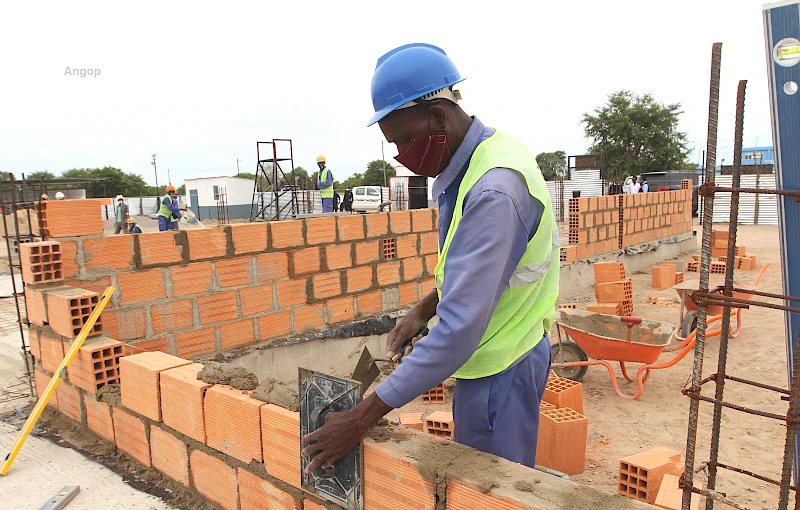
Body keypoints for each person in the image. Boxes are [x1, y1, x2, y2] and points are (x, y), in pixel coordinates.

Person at [301, 43, 558, 473]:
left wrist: (359, 419)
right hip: (499, 352)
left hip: (502, 366)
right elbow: (476, 271)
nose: (402, 153)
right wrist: (423, 308)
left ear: (438, 116)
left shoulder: (494, 191)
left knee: (487, 491)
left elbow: (459, 330)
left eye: (404, 139)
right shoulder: (478, 160)